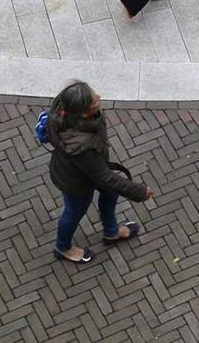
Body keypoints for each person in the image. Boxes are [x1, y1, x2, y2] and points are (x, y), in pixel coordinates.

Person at [46, 81, 151, 263]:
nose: (99, 97)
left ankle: (111, 232)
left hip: (94, 168)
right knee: (74, 211)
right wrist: (140, 192)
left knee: (110, 194)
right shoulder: (80, 146)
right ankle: (62, 247)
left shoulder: (67, 108)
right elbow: (105, 177)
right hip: (77, 182)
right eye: (94, 100)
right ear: (83, 112)